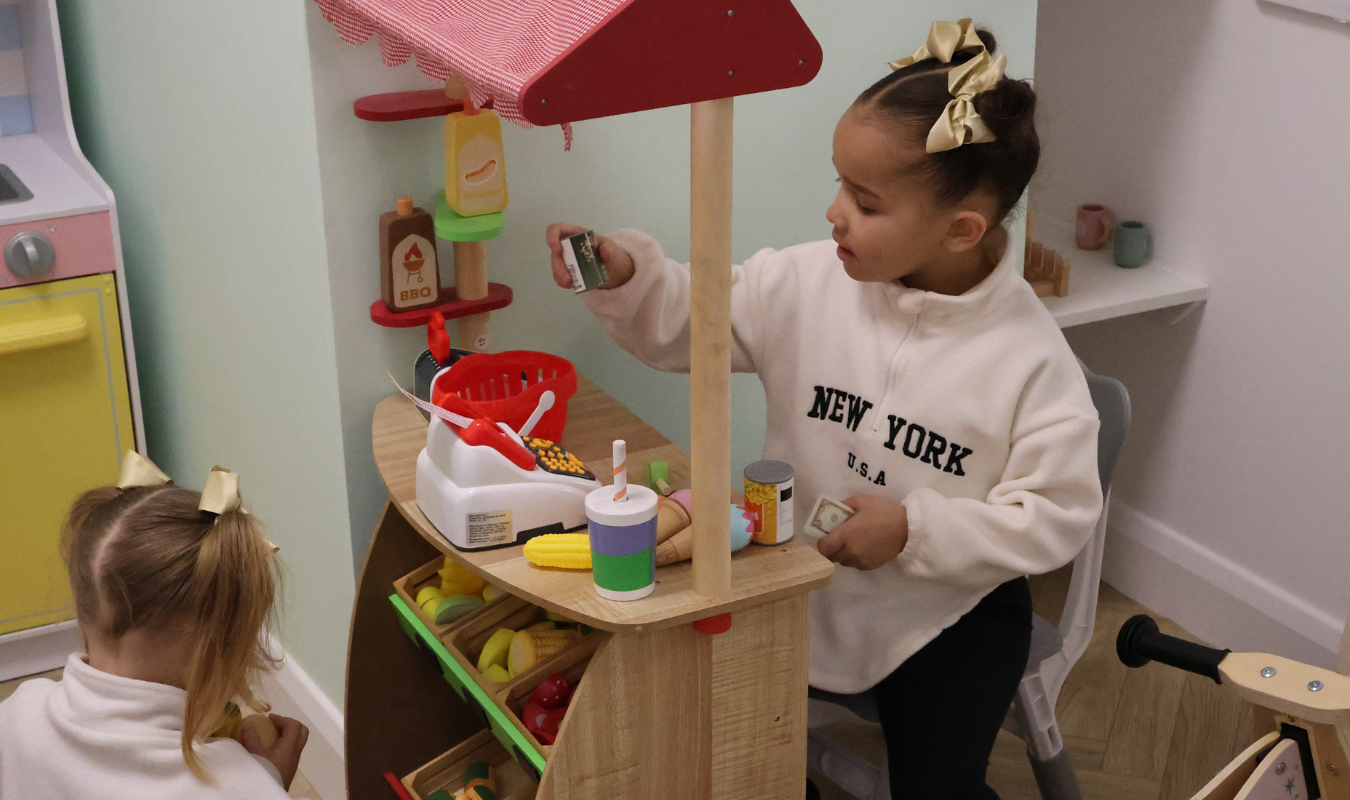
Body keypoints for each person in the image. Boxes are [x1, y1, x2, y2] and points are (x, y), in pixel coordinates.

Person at [545, 19, 1102, 798]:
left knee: (939, 786)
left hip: (948, 609)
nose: (835, 212)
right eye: (840, 183)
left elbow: (1058, 512)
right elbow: (699, 321)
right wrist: (628, 275)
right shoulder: (807, 283)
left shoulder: (1031, 361)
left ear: (962, 231)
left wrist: (915, 528)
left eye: (866, 203)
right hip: (799, 577)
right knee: (729, 743)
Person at [0, 452, 308, 799]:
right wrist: (269, 778)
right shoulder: (234, 784)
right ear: (219, 650)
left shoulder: (18, 712)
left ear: (84, 618)